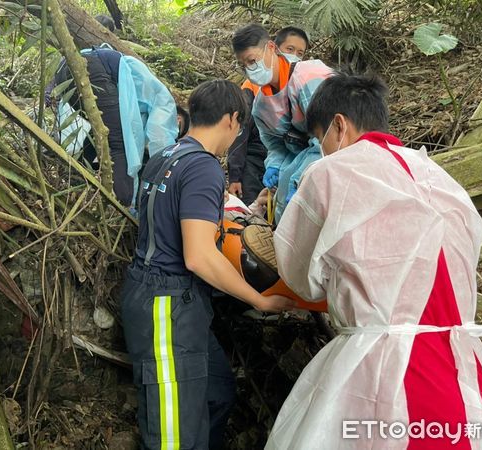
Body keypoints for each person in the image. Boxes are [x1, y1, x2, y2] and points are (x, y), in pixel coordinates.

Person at [266, 73, 482, 449]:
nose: (321, 149)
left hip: (386, 377)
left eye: (319, 138)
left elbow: (300, 276)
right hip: (465, 372)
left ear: (339, 126)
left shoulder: (330, 173)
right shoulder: (439, 175)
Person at [120, 79, 294, 450]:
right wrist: (259, 300)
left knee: (217, 393)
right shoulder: (203, 168)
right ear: (232, 119)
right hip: (166, 308)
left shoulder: (164, 157)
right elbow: (198, 255)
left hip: (164, 297)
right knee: (173, 438)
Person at [50, 36, 178, 207]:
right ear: (178, 118)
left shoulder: (138, 86)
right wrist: (169, 173)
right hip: (88, 68)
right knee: (119, 143)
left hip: (62, 71)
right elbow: (160, 138)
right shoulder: (164, 101)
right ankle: (125, 205)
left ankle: (75, 179)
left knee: (101, 130)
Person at [232, 24, 334, 222]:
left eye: (252, 61)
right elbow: (276, 145)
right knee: (282, 196)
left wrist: (300, 177)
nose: (250, 70)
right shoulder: (261, 106)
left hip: (331, 158)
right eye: (244, 65)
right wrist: (275, 165)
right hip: (304, 158)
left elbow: (330, 137)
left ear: (271, 48)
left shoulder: (311, 78)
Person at [227, 26, 309, 206]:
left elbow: (328, 139)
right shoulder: (257, 96)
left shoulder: (307, 80)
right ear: (277, 47)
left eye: (300, 52)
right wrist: (236, 174)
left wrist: (300, 174)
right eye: (290, 49)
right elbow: (243, 133)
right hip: (257, 160)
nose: (294, 55)